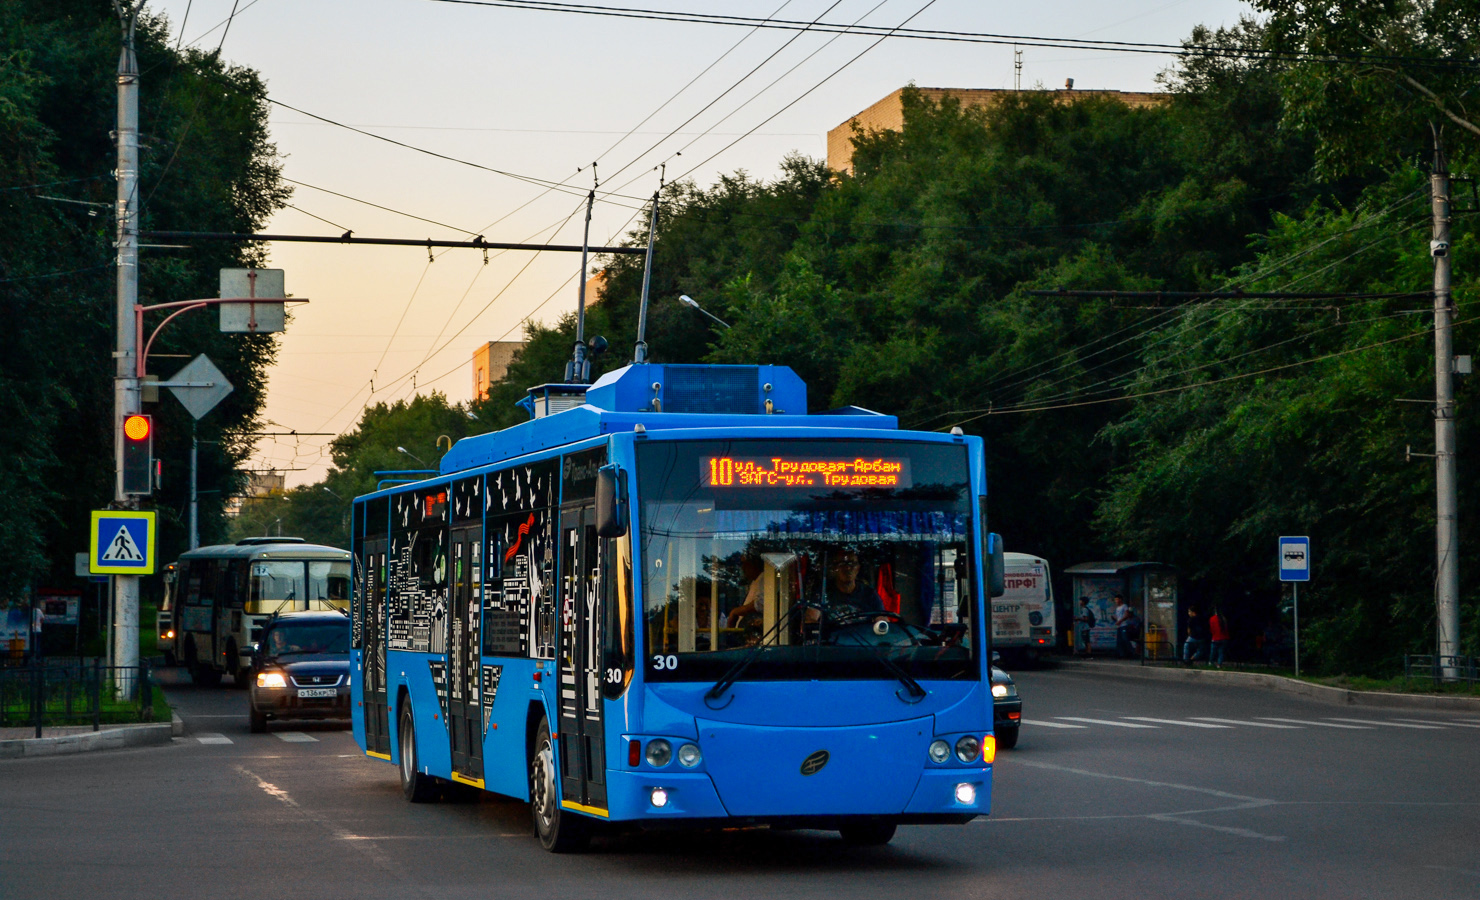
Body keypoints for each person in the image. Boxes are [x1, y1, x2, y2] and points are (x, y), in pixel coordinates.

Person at [812, 549, 884, 627]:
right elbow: (810, 618)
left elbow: (882, 619)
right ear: (835, 568)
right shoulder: (822, 593)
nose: (848, 568)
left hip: (863, 637)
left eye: (852, 564)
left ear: (858, 568)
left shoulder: (869, 594)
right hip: (833, 638)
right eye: (843, 564)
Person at [1112, 593, 1134, 658]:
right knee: (1119, 640)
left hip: (1124, 625)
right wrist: (1115, 619)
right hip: (1119, 626)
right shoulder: (1117, 608)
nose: (1116, 601)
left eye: (1117, 599)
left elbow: (1127, 615)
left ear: (1120, 599)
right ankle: (1121, 654)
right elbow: (1118, 617)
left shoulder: (1124, 606)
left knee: (1125, 639)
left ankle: (1132, 652)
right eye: (1115, 600)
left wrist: (1120, 621)